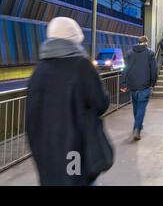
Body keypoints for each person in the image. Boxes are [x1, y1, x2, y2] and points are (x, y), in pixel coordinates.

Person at [26, 17, 113, 186]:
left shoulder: (39, 71)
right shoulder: (81, 66)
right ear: (74, 40)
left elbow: (31, 117)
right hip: (75, 151)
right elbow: (101, 103)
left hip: (46, 152)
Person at [121, 35, 157, 140]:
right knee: (141, 108)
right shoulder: (150, 53)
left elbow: (125, 69)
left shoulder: (129, 53)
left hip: (133, 85)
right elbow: (153, 69)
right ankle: (137, 128)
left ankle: (138, 125)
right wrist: (153, 82)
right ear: (146, 42)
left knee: (136, 107)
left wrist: (123, 83)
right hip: (145, 85)